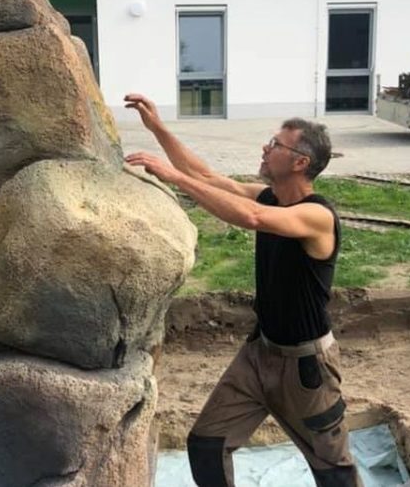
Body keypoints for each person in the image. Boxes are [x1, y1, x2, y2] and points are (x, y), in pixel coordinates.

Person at [124, 94, 362, 487]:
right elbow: (207, 177)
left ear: (300, 162)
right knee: (205, 445)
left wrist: (174, 178)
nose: (265, 150)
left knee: (334, 472)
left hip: (306, 371)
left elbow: (251, 218)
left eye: (275, 146)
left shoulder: (317, 216)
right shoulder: (271, 196)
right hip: (258, 355)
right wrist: (159, 129)